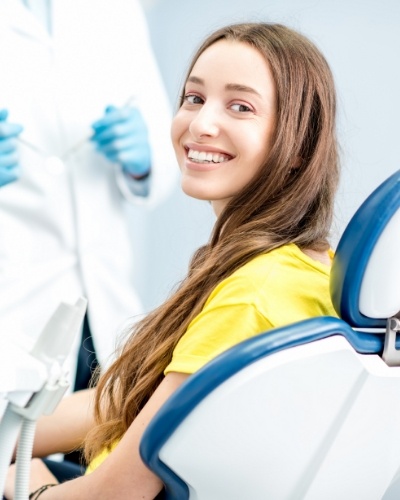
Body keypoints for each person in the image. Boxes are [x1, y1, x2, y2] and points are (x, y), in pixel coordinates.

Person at [5, 21, 340, 499]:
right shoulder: (298, 265)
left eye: (240, 106)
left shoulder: (252, 295)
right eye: (193, 98)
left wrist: (27, 485)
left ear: (298, 145)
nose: (200, 124)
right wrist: (12, 432)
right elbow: (136, 398)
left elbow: (115, 495)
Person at [0, 0, 177, 393]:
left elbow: (168, 158)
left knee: (97, 437)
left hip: (105, 303)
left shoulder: (116, 11)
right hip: (11, 304)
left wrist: (143, 158)